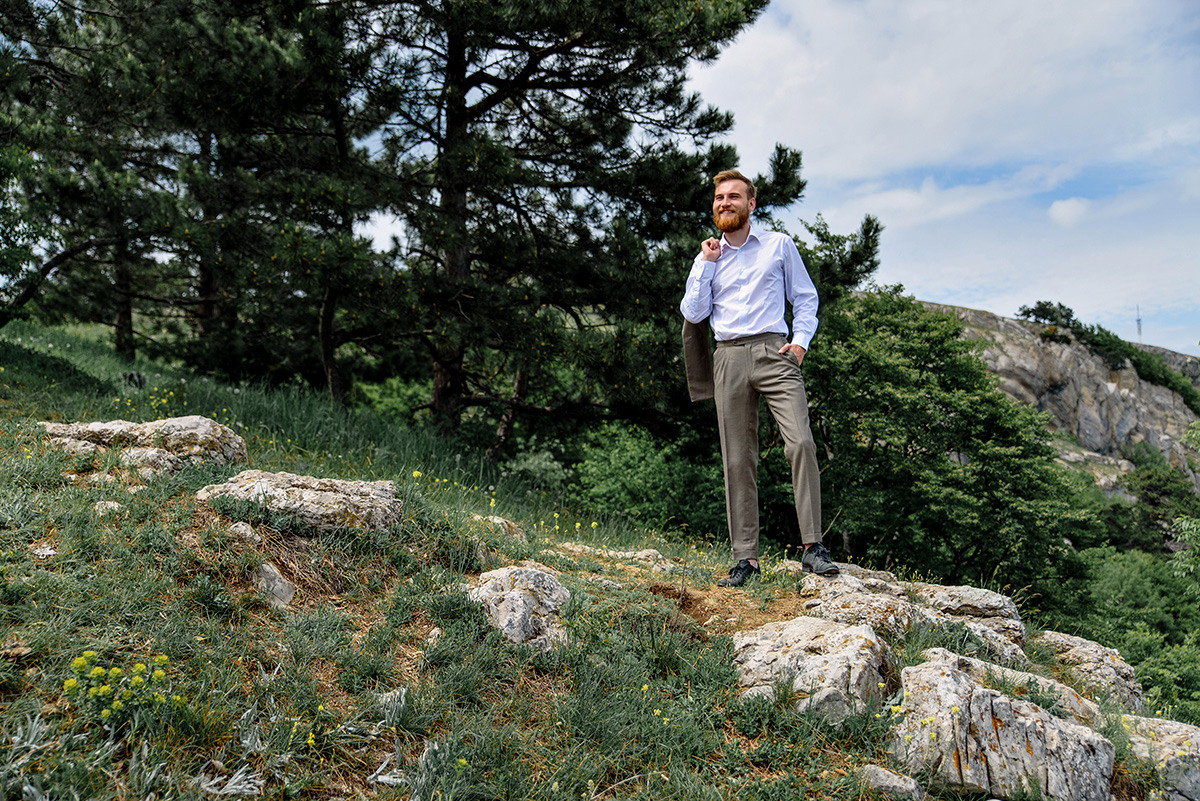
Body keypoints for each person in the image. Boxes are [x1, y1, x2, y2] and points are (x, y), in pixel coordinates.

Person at [680, 169, 839, 587]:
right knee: (737, 459)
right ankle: (745, 559)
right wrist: (706, 264)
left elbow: (805, 297)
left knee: (801, 441)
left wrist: (801, 342)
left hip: (774, 352)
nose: (724, 203)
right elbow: (694, 313)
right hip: (728, 357)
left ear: (752, 204)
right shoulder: (707, 258)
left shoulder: (778, 245)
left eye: (734, 196)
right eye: (719, 198)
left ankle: (812, 548)